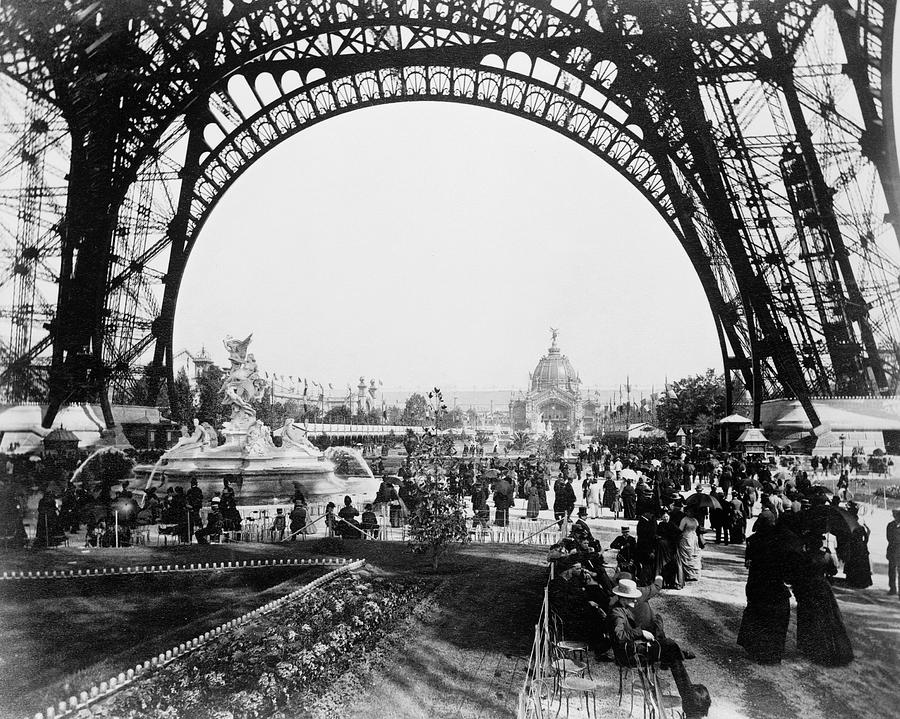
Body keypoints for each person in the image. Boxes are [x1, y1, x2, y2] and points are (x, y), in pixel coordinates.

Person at [607, 578, 710, 718]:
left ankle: (690, 698)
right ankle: (692, 701)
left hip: (633, 649)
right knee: (669, 646)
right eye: (632, 598)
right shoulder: (616, 614)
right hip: (628, 655)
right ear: (623, 598)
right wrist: (641, 633)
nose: (636, 601)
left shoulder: (623, 608)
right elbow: (619, 636)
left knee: (668, 645)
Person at [737, 512, 798, 664]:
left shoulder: (754, 540)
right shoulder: (781, 540)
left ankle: (756, 649)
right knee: (775, 620)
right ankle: (772, 653)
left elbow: (748, 562)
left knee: (757, 615)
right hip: (775, 585)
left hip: (757, 583)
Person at [793, 534, 853, 666]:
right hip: (822, 587)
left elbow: (798, 574)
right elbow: (833, 572)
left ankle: (810, 646)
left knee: (809, 617)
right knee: (828, 617)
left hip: (808, 588)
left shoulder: (804, 557)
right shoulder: (826, 556)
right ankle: (832, 648)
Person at [678, 508, 702, 582]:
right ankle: (687, 574)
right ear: (686, 512)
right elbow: (680, 529)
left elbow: (697, 528)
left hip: (693, 539)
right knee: (686, 555)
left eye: (692, 512)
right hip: (686, 538)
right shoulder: (684, 519)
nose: (690, 513)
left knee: (693, 555)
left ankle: (694, 574)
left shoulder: (695, 520)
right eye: (689, 511)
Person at [887, 508, 900, 597]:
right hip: (892, 550)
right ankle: (893, 589)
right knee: (892, 571)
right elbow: (888, 538)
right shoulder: (890, 525)